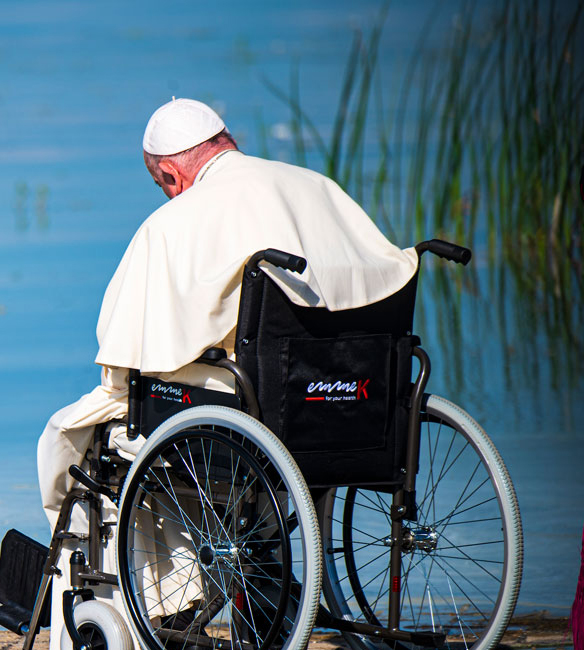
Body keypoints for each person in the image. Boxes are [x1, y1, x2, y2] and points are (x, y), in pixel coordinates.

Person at [37, 98, 418, 535]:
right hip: (358, 400)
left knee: (72, 434)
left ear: (170, 175)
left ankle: (144, 594)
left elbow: (124, 362)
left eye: (163, 185)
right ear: (225, 142)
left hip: (258, 411)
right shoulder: (319, 188)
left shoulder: (173, 222)